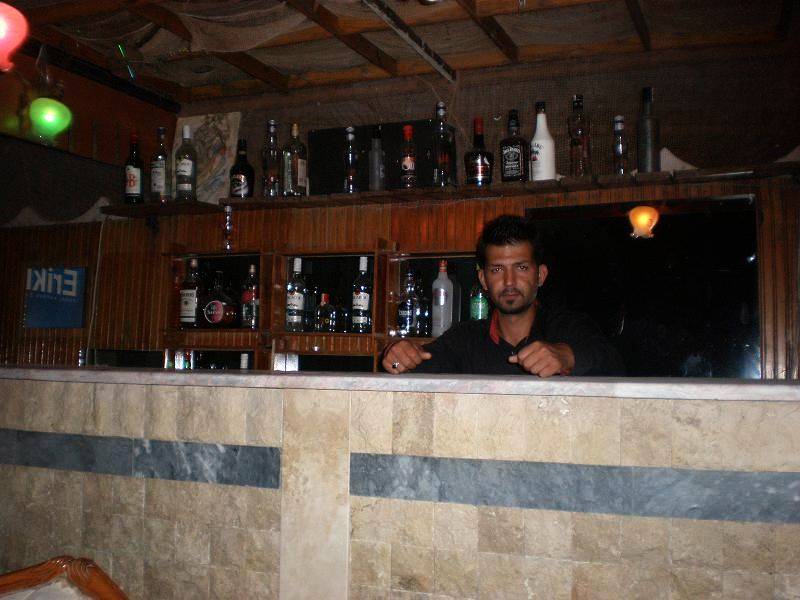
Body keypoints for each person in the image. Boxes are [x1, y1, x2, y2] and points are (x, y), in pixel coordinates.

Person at [382, 214, 624, 377]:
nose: (509, 281)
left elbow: (613, 363)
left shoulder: (567, 327)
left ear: (540, 275)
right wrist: (396, 355)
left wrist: (566, 356)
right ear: (483, 280)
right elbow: (415, 365)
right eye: (497, 270)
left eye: (521, 267)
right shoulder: (464, 340)